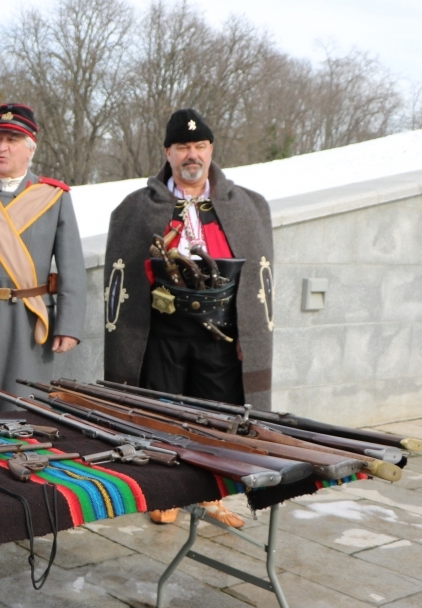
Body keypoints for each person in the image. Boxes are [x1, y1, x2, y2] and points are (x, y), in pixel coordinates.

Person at [103, 108, 275, 528]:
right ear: (168, 152)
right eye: (182, 147)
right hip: (164, 333)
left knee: (217, 418)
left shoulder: (248, 205)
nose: (192, 154)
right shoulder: (137, 208)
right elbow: (120, 279)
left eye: (199, 146)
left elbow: (261, 282)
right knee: (165, 416)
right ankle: (167, 495)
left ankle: (212, 496)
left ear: (211, 150)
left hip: (219, 335)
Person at [0, 103, 86, 415]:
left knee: (23, 412)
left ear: (29, 149)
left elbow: (72, 266)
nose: (1, 147)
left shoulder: (53, 196)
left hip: (28, 318)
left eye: (11, 140)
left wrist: (69, 325)